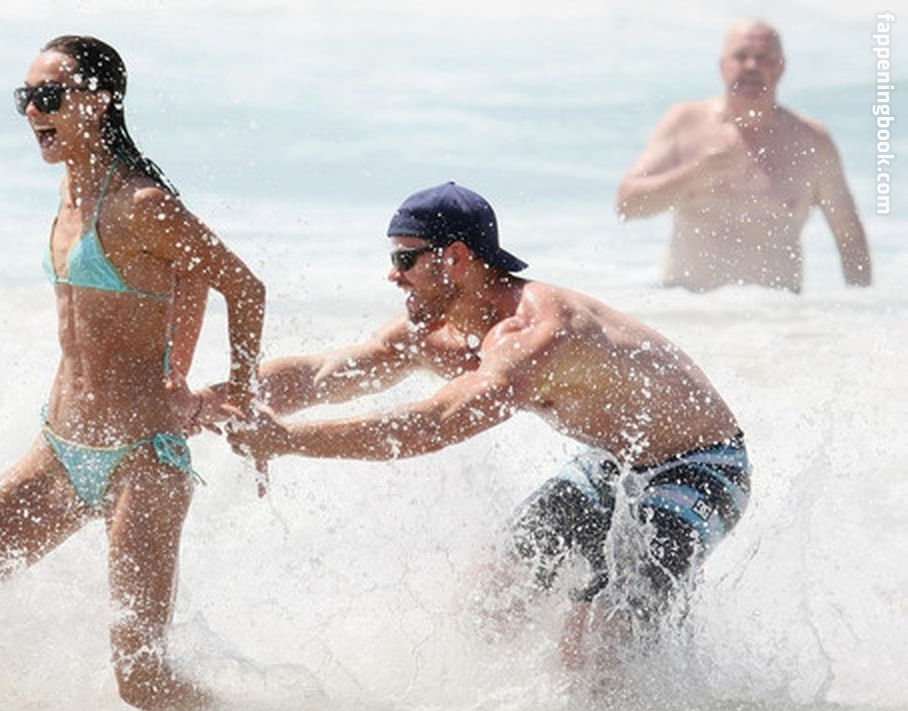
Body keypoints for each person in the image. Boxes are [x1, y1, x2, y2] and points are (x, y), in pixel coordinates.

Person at [220, 182, 750, 676]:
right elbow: (321, 374)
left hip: (700, 466)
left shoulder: (534, 332)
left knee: (606, 641)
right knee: (492, 596)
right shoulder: (436, 331)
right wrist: (216, 400)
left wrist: (288, 441)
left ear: (455, 258)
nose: (393, 276)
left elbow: (434, 425)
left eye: (405, 259)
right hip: (609, 463)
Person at [0, 35, 266, 711]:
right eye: (25, 98)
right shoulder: (71, 194)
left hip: (141, 464)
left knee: (142, 682)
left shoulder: (140, 203)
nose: (32, 112)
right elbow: (181, 278)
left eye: (48, 96)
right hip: (59, 452)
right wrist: (178, 370)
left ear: (98, 102)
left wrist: (235, 390)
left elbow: (242, 286)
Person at [616, 18, 871, 293]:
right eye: (741, 56)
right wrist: (692, 175)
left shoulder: (811, 141)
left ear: (781, 66)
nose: (751, 66)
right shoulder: (686, 122)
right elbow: (627, 205)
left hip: (780, 314)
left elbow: (849, 236)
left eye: (763, 57)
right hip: (686, 308)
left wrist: (859, 310)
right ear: (723, 65)